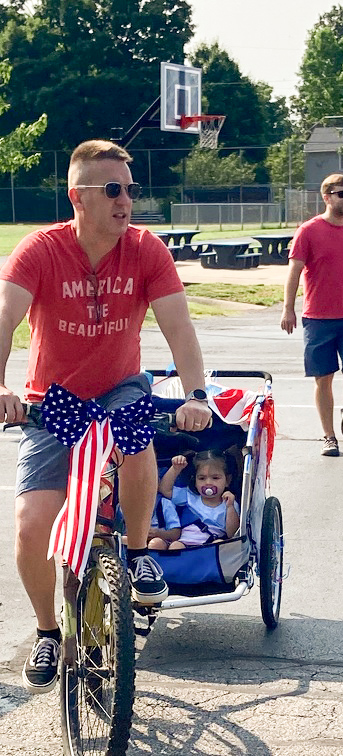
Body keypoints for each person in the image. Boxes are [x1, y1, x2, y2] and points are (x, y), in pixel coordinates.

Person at [0, 139, 212, 694]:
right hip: (54, 400)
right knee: (30, 526)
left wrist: (196, 394)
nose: (126, 201)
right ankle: (48, 631)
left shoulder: (145, 249)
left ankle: (138, 554)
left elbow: (179, 327)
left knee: (135, 430)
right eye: (113, 189)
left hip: (118, 388)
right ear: (78, 197)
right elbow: (4, 318)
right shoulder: (41, 250)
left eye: (130, 189)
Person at [281, 174, 343, 458]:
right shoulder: (308, 231)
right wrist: (288, 308)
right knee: (323, 379)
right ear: (327, 197)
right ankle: (329, 436)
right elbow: (294, 271)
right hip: (318, 318)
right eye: (342, 194)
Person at [157, 450, 240, 549]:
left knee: (219, 544)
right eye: (202, 478)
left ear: (227, 480)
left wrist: (230, 507)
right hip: (185, 544)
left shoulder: (229, 503)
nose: (208, 482)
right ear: (195, 481)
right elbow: (165, 490)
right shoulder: (189, 496)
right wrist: (175, 469)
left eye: (215, 478)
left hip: (212, 544)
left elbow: (232, 534)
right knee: (175, 546)